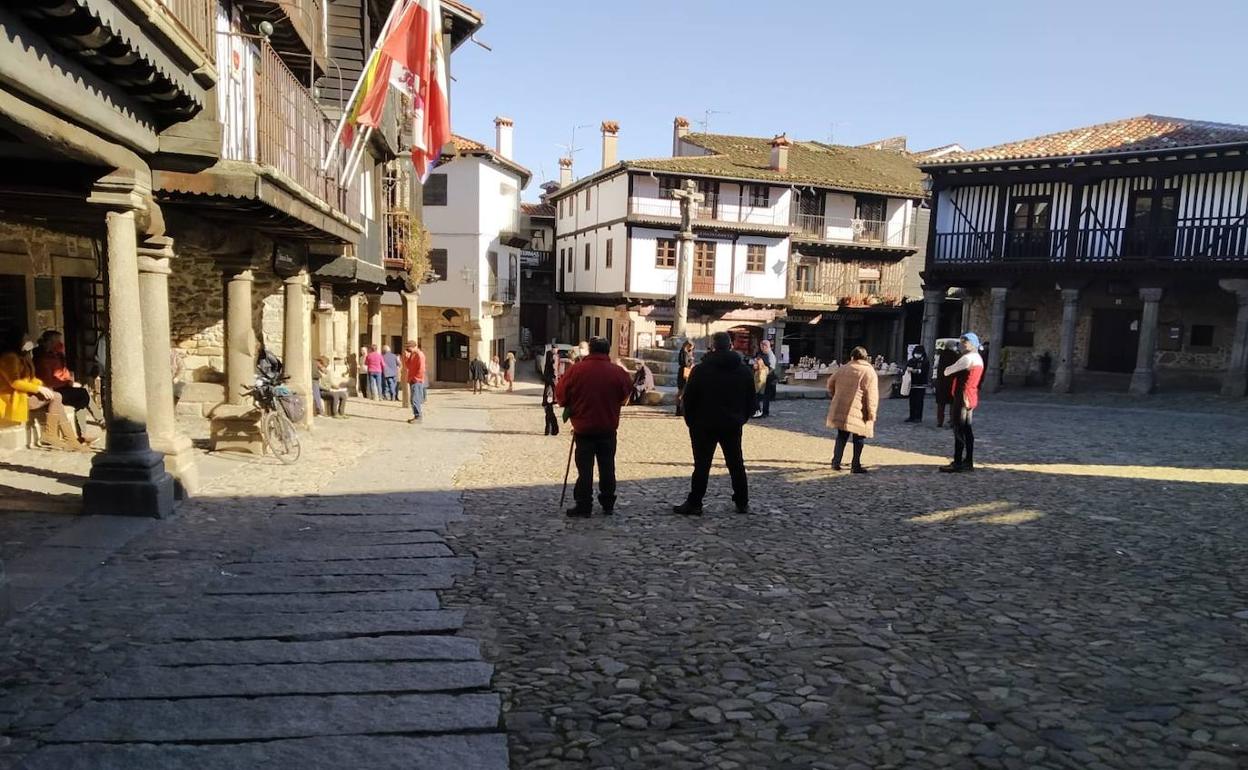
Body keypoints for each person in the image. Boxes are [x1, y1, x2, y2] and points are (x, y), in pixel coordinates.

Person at [673, 332, 755, 516]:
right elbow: (751, 401)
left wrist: (691, 422)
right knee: (736, 464)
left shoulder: (701, 370)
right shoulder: (743, 371)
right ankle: (742, 501)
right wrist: (741, 419)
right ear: (730, 345)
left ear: (713, 346)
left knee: (702, 465)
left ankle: (695, 502)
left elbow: (689, 399)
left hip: (704, 426)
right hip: (732, 425)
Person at [555, 337, 632, 517]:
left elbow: (561, 396)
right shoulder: (618, 372)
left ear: (590, 350)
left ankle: (584, 504)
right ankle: (608, 503)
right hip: (608, 428)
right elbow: (626, 396)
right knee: (607, 467)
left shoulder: (577, 370)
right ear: (608, 350)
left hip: (584, 429)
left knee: (585, 469)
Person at [0, 327, 89, 451]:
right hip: (14, 398)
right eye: (25, 339)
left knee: (56, 397)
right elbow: (15, 383)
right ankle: (58, 437)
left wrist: (42, 387)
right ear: (17, 341)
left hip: (24, 394)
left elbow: (30, 379)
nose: (28, 341)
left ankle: (68, 439)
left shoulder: (23, 357)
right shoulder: (9, 358)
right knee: (57, 397)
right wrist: (39, 389)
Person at [825, 346, 879, 474]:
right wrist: (872, 413)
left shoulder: (843, 368)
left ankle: (836, 462)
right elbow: (872, 395)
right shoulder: (868, 372)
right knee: (859, 438)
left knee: (842, 436)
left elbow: (830, 383)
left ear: (852, 357)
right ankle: (855, 465)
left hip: (842, 406)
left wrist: (836, 396)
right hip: (860, 409)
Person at [33, 331, 93, 437]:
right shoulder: (43, 359)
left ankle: (84, 433)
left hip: (61, 387)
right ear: (50, 343)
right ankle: (84, 433)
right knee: (82, 395)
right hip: (51, 390)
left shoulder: (57, 356)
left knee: (82, 396)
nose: (61, 344)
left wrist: (69, 381)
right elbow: (48, 382)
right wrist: (68, 383)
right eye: (58, 341)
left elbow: (64, 374)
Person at [940, 332, 985, 473]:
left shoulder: (967, 359)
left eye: (963, 343)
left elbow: (947, 372)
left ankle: (958, 461)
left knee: (959, 429)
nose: (961, 345)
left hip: (962, 396)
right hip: (970, 395)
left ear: (971, 344)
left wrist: (949, 366)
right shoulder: (978, 358)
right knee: (967, 430)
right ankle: (968, 460)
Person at [933, 341, 959, 428]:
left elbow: (939, 368)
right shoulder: (955, 356)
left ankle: (940, 421)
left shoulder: (941, 355)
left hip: (942, 382)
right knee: (952, 403)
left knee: (941, 404)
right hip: (951, 382)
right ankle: (952, 421)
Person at [904, 346, 931, 423]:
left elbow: (924, 371)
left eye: (919, 353)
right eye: (916, 353)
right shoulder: (911, 360)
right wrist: (909, 369)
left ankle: (918, 417)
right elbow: (907, 367)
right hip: (912, 383)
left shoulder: (925, 361)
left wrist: (915, 370)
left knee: (919, 401)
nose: (917, 355)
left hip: (921, 384)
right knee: (912, 401)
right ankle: (911, 416)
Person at [404, 340, 427, 423]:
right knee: (413, 399)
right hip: (412, 379)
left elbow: (421, 368)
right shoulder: (412, 355)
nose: (407, 349)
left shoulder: (419, 355)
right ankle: (416, 415)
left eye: (408, 347)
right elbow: (408, 366)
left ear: (412, 346)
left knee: (415, 399)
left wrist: (416, 378)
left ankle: (418, 416)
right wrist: (406, 358)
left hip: (416, 380)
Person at [753, 339, 778, 418]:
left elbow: (772, 368)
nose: (761, 348)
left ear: (766, 346)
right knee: (758, 395)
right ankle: (758, 411)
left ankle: (765, 412)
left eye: (762, 347)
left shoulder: (770, 355)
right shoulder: (762, 354)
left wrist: (766, 374)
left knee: (765, 396)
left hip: (768, 378)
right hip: (760, 377)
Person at [542, 348, 559, 436]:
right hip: (550, 390)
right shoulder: (552, 363)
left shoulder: (550, 365)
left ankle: (550, 429)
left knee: (548, 411)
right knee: (549, 411)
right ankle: (552, 429)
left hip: (549, 390)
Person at [675, 340, 695, 416]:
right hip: (684, 373)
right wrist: (691, 362)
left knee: (681, 391)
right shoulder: (684, 353)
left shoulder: (683, 352)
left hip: (682, 372)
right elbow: (685, 363)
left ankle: (679, 409)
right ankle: (680, 409)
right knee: (682, 391)